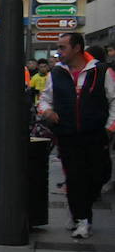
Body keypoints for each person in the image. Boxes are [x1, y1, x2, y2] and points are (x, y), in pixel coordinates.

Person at [39, 31, 115, 240]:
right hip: (68, 134)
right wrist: (47, 111)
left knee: (100, 174)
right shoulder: (56, 73)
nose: (59, 51)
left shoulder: (101, 71)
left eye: (62, 47)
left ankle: (80, 210)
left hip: (96, 134)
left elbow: (114, 99)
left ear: (77, 48)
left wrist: (110, 127)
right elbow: (45, 99)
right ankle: (82, 219)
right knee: (75, 177)